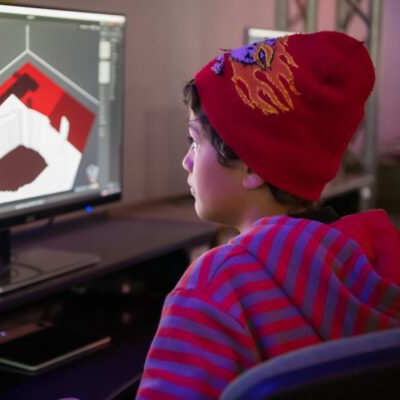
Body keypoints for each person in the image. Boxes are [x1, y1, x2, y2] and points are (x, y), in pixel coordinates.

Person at [136, 31, 400, 399]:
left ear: (250, 165)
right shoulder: (377, 260)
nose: (187, 161)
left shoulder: (212, 289)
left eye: (195, 142)